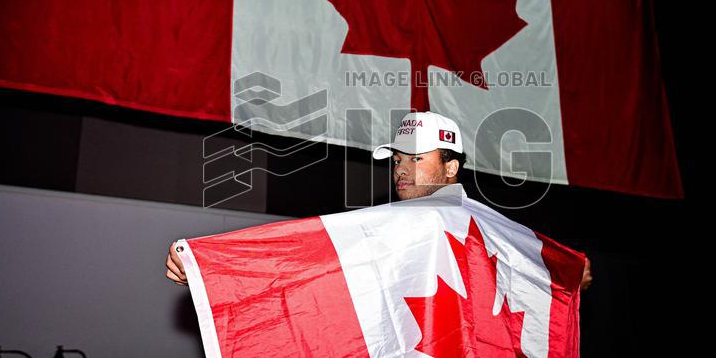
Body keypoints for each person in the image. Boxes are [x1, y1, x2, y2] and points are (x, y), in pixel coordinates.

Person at [166, 110, 591, 290]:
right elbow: (307, 261)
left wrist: (567, 275)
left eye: (417, 158)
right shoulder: (380, 226)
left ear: (450, 168)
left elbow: (535, 275)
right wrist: (212, 269)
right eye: (398, 158)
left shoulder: (489, 230)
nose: (402, 169)